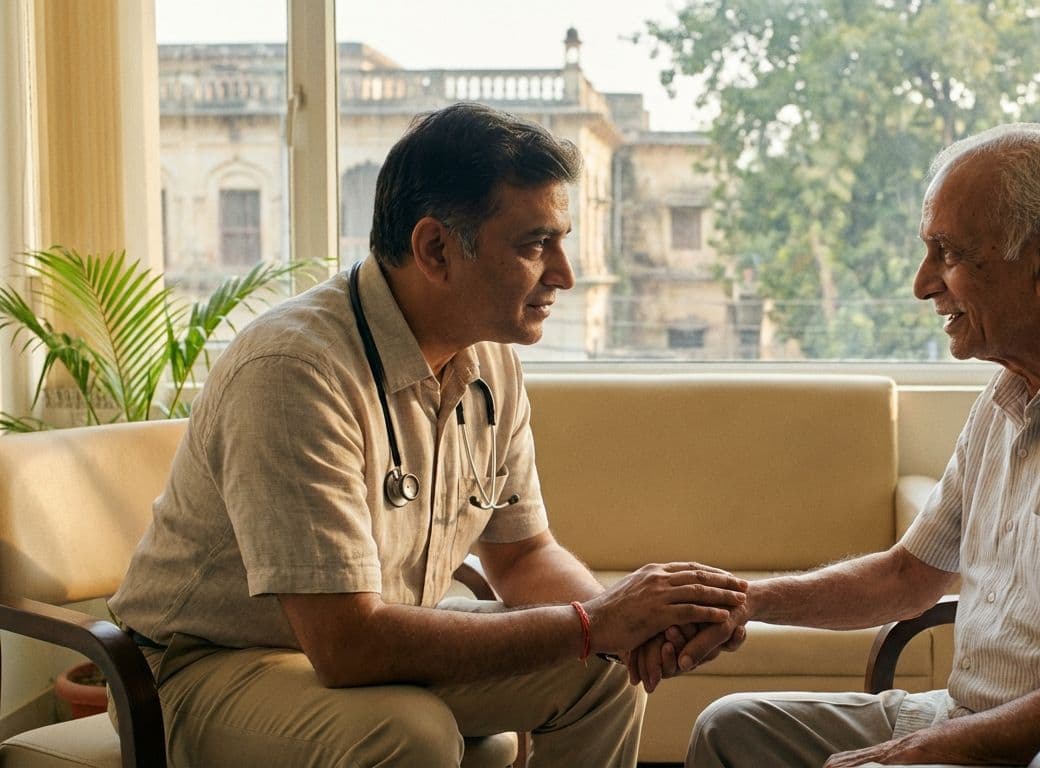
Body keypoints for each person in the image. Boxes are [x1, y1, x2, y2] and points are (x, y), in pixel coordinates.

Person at [108, 101, 747, 768]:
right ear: (436, 248)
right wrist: (594, 623)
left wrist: (628, 626)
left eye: (560, 240)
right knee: (409, 731)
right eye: (535, 245)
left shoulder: (489, 359)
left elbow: (524, 557)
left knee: (604, 674)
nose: (564, 273)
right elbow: (347, 644)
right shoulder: (294, 371)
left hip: (367, 641)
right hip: (201, 670)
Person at [671, 123, 1040, 767]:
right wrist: (746, 602)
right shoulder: (1009, 393)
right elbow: (908, 577)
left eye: (948, 254)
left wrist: (923, 752)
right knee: (729, 729)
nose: (923, 283)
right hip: (974, 722)